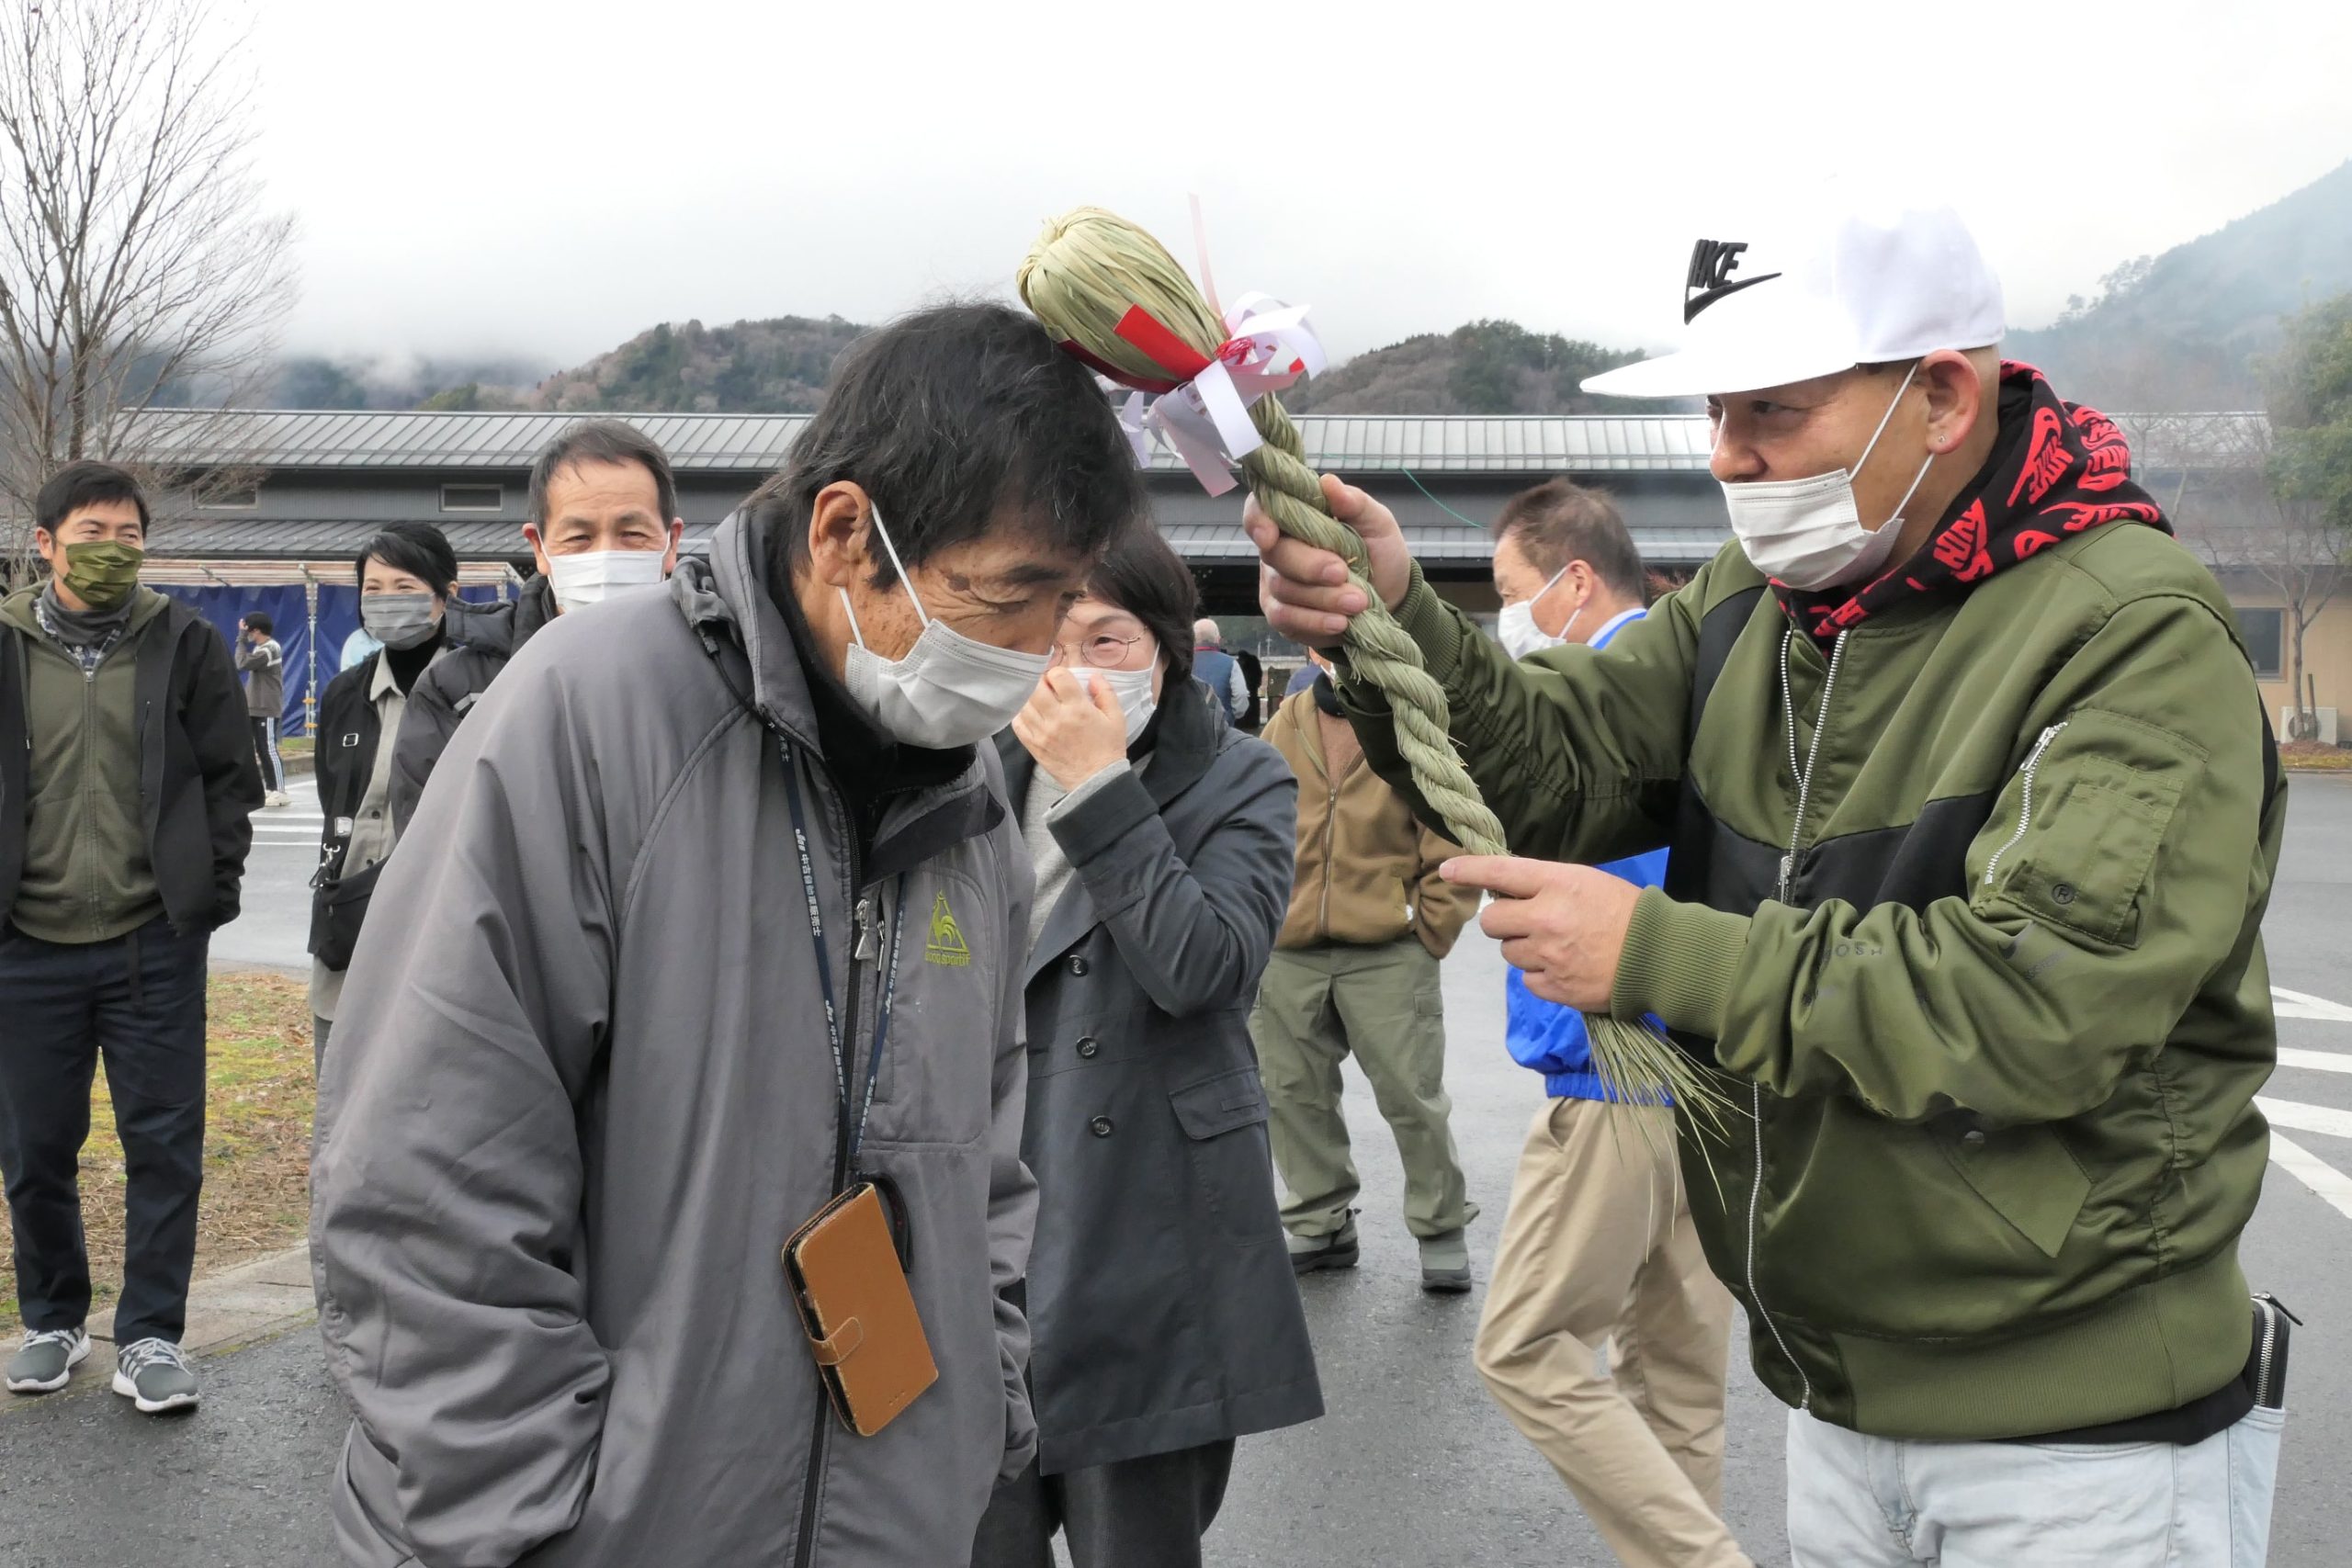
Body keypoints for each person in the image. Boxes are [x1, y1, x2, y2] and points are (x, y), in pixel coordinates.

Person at [1251, 202, 2288, 1562]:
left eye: (1775, 411)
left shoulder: (2129, 637)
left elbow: (2038, 999)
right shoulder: (1758, 601)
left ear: (1940, 395)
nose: (1727, 455)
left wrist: (1662, 956)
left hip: (2078, 1444)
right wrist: (1398, 616)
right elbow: (1557, 766)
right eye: (1717, 408)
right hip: (1836, 1398)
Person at [311, 302, 1144, 1567]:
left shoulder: (966, 794)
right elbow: (426, 1181)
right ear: (846, 532)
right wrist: (529, 1523)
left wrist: (984, 1415)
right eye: (1010, 595)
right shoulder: (585, 719)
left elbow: (987, 1163)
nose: (1035, 652)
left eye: (1064, 599)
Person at [973, 526, 1320, 1568]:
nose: (1072, 672)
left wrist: (1099, 789)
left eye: (1107, 640)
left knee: (1138, 1539)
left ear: (1169, 650)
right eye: (1050, 638)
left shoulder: (1242, 778)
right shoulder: (967, 770)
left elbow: (1206, 967)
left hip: (1146, 1225)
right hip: (981, 1212)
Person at [1474, 479, 1747, 1568]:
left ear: (1574, 582)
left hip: (1614, 1079)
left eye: (1508, 592)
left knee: (1523, 1349)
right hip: (1714, 1082)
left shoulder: (1601, 698)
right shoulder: (1708, 685)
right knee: (1677, 1381)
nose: (1505, 615)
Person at [0, 460, 261, 1414]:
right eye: (91, 533)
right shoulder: (6, 645)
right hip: (25, 943)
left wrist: (207, 890)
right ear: (45, 543)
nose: (112, 549)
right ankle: (55, 1320)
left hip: (152, 941)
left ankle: (150, 1334)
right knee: (34, 1146)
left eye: (128, 534)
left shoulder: (182, 641)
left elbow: (231, 778)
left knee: (165, 1145)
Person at [1252, 649, 1478, 1290]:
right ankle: (1320, 1219)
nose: (1336, 657)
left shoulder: (1412, 727)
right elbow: (1256, 822)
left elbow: (1452, 833)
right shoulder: (1285, 723)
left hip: (1387, 949)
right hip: (1289, 949)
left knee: (1413, 1095)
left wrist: (1428, 927)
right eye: (1325, 645)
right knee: (1291, 1093)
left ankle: (1441, 1226)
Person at [385, 418, 684, 829]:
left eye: (632, 533)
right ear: (539, 548)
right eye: (579, 538)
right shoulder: (457, 690)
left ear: (672, 544)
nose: (605, 556)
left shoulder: (721, 676)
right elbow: (437, 860)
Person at [306, 525, 459, 1064]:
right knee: (341, 1097)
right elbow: (336, 803)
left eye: (405, 586)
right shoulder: (345, 693)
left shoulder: (483, 686)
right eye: (373, 589)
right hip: (348, 931)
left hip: (446, 936)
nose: (387, 601)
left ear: (447, 595)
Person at [236, 612, 291, 807]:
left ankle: (280, 790)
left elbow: (242, 663)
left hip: (267, 707)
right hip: (255, 707)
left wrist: (241, 639)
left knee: (269, 749)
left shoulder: (269, 649)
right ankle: (270, 788)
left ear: (256, 630)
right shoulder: (263, 648)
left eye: (248, 631)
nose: (247, 635)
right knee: (260, 748)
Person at [1189, 617, 1249, 724]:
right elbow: (1241, 694)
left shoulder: (1181, 663)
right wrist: (1232, 715)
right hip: (1222, 728)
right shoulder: (1231, 664)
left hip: (1188, 728)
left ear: (1193, 639)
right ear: (1218, 639)